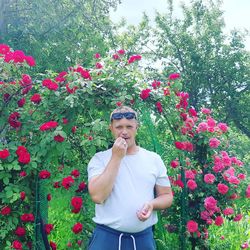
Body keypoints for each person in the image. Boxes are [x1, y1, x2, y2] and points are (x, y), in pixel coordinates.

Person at [87, 106, 173, 250]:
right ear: (111, 128)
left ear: (136, 127)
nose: (124, 132)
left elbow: (167, 196)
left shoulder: (153, 159)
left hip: (143, 240)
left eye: (129, 126)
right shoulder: (99, 159)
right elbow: (97, 196)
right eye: (119, 127)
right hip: (106, 239)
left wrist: (152, 205)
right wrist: (116, 157)